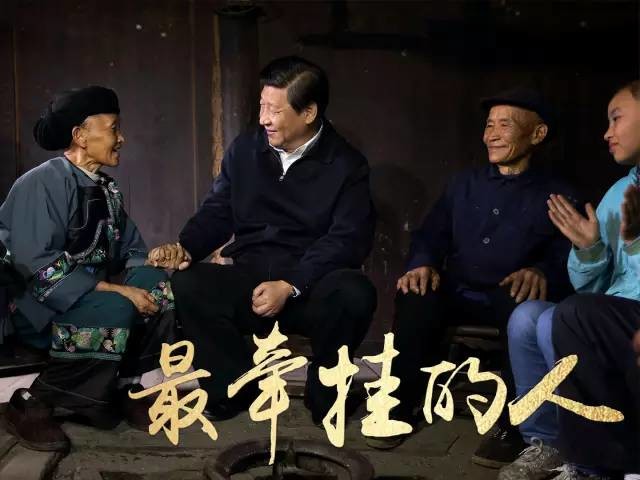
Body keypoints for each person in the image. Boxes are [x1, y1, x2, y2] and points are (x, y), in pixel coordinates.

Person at [149, 56, 377, 424]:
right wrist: (186, 246)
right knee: (191, 283)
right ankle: (234, 388)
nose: (263, 119)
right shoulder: (246, 149)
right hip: (251, 278)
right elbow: (218, 210)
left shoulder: (346, 164)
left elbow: (347, 240)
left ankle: (326, 395)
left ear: (308, 112)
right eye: (261, 106)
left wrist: (291, 284)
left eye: (274, 110)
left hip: (309, 284)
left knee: (355, 292)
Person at [376, 88, 577, 465]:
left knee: (523, 304)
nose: (492, 135)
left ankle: (511, 426)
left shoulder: (557, 193)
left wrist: (541, 271)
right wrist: (422, 262)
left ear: (537, 134)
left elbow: (569, 251)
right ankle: (398, 407)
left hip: (509, 296)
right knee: (417, 294)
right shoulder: (463, 184)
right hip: (459, 289)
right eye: (489, 126)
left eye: (505, 126)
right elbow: (431, 233)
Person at [0, 86, 176, 452]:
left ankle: (126, 387)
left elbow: (131, 253)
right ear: (81, 135)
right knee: (118, 306)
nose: (121, 138)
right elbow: (35, 262)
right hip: (39, 308)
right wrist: (114, 290)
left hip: (88, 300)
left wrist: (159, 259)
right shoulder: (42, 183)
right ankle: (33, 401)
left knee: (157, 286)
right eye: (113, 128)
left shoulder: (106, 189)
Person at [500, 80, 640, 480]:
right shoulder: (621, 191)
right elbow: (592, 288)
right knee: (528, 317)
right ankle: (546, 442)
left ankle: (592, 462)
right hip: (613, 311)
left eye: (616, 119)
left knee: (565, 318)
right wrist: (589, 249)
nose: (607, 133)